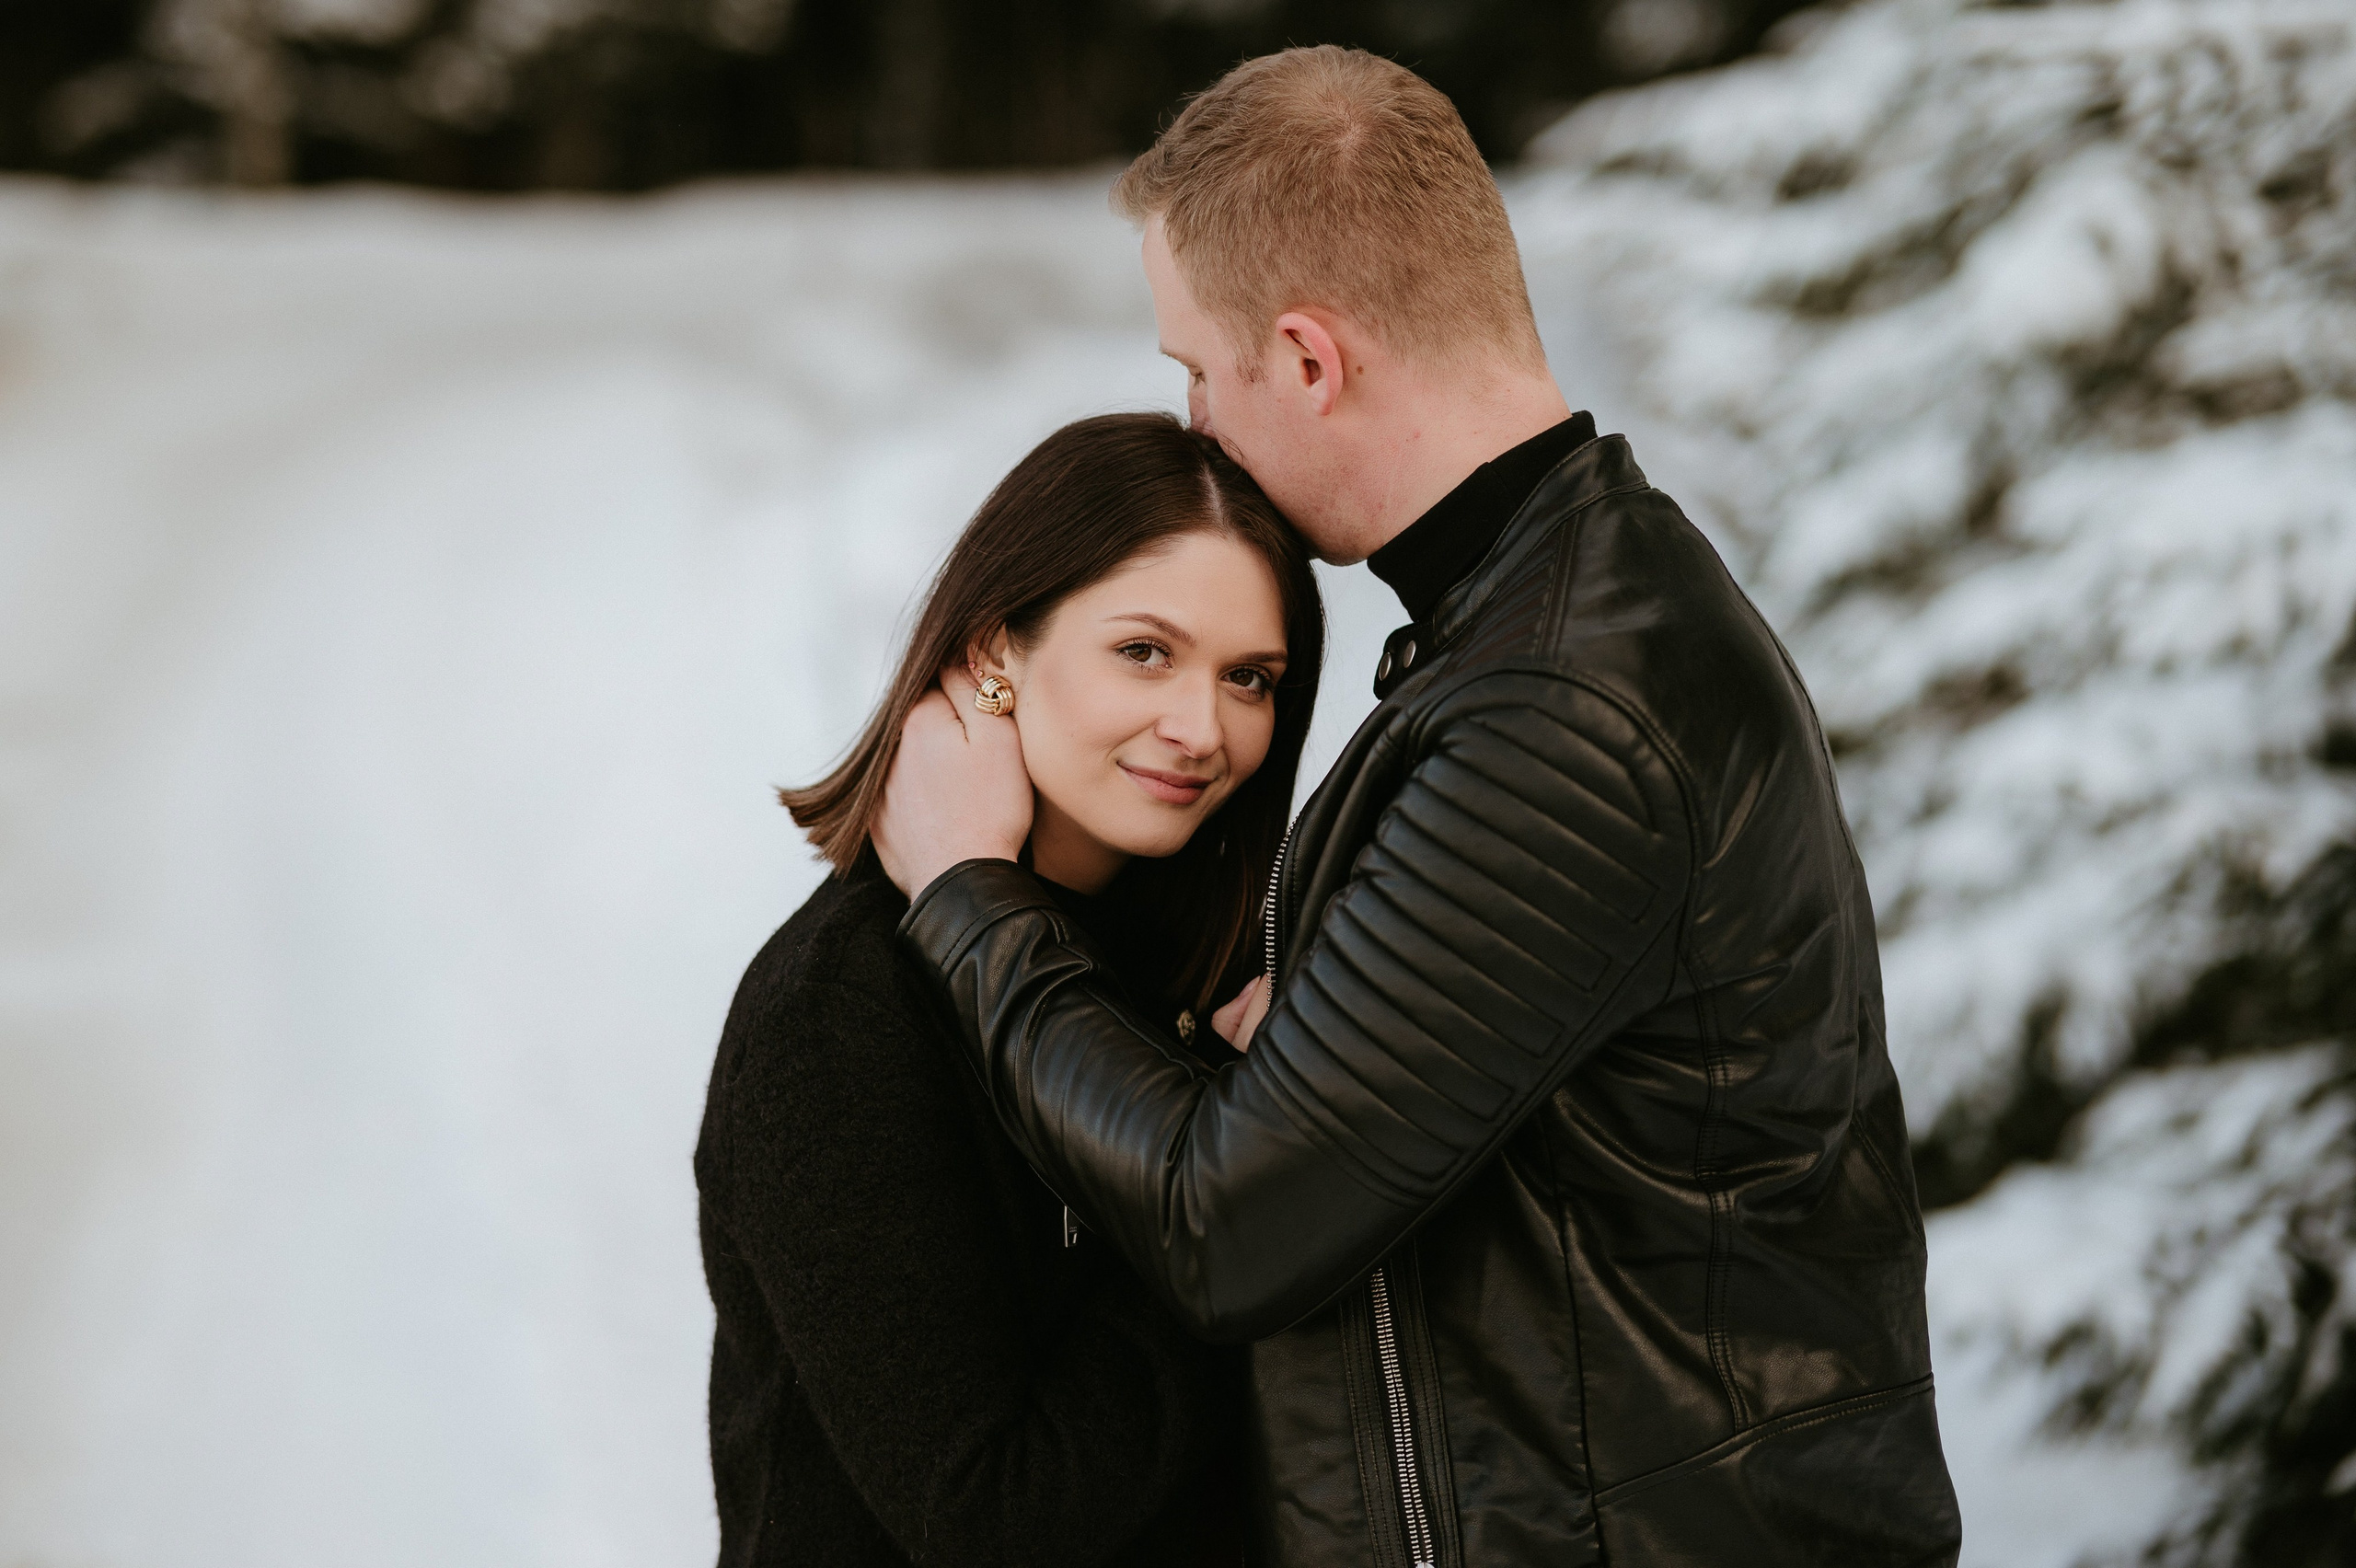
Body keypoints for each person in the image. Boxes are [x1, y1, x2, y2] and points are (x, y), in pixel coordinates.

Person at [873, 46, 1965, 1568]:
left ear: (1311, 361)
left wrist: (969, 895)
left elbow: (1228, 1224)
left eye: (1200, 368)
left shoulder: (1561, 710)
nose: (1193, 425)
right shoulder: (1546, 621)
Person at [695, 411, 1325, 1568]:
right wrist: (1248, 1186)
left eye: (1250, 678)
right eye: (1145, 651)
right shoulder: (837, 1015)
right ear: (995, 651)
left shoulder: (1200, 964)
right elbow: (992, 1515)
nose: (1200, 728)